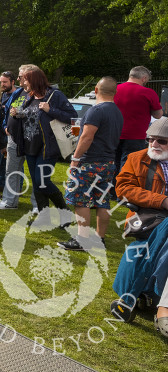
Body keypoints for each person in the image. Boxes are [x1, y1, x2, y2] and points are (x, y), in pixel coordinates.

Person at [111, 117, 168, 331]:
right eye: (150, 139)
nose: (154, 144)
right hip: (145, 220)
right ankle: (159, 305)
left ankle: (133, 297)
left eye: (161, 141)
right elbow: (123, 188)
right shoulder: (136, 158)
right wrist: (161, 201)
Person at [58, 77, 122, 251]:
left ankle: (82, 240)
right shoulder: (117, 111)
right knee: (102, 201)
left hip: (89, 162)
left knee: (81, 200)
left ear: (95, 90)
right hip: (108, 162)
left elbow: (87, 136)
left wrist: (75, 159)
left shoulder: (96, 111)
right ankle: (99, 239)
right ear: (114, 93)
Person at [9, 66, 77, 214]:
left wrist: (50, 110)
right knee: (37, 183)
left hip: (47, 148)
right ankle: (43, 215)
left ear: (34, 80)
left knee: (42, 182)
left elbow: (72, 116)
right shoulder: (30, 96)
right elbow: (30, 115)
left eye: (24, 79)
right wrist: (18, 114)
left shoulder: (55, 95)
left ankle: (65, 212)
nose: (22, 83)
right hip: (30, 146)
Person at [0, 65, 35, 210]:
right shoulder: (18, 93)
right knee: (11, 171)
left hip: (32, 139)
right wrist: (6, 125)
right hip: (14, 139)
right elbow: (8, 111)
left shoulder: (42, 93)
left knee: (36, 174)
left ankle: (38, 205)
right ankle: (9, 202)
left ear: (30, 77)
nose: (18, 79)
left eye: (20, 76)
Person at [115, 66, 163, 171]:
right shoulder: (148, 92)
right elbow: (158, 115)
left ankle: (112, 186)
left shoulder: (114, 89)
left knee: (114, 163)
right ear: (144, 78)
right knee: (129, 165)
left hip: (113, 133)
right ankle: (124, 187)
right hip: (135, 136)